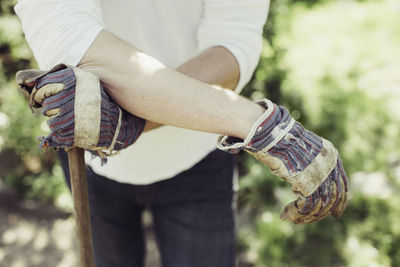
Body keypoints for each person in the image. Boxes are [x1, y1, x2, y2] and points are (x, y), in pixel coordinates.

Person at [14, 1, 348, 267]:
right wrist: (260, 124)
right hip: (92, 166)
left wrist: (136, 120)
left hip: (198, 157)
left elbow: (231, 43)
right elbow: (69, 37)